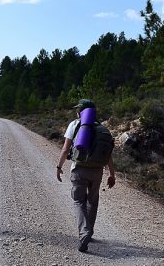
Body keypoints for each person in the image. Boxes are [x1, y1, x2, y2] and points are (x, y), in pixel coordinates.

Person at [56, 99, 116, 252]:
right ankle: (89, 230)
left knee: (78, 201)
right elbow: (107, 153)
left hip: (79, 169)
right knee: (93, 201)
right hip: (97, 170)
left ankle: (84, 232)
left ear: (80, 112)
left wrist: (59, 166)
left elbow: (65, 149)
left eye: (78, 109)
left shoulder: (75, 125)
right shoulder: (102, 128)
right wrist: (112, 173)